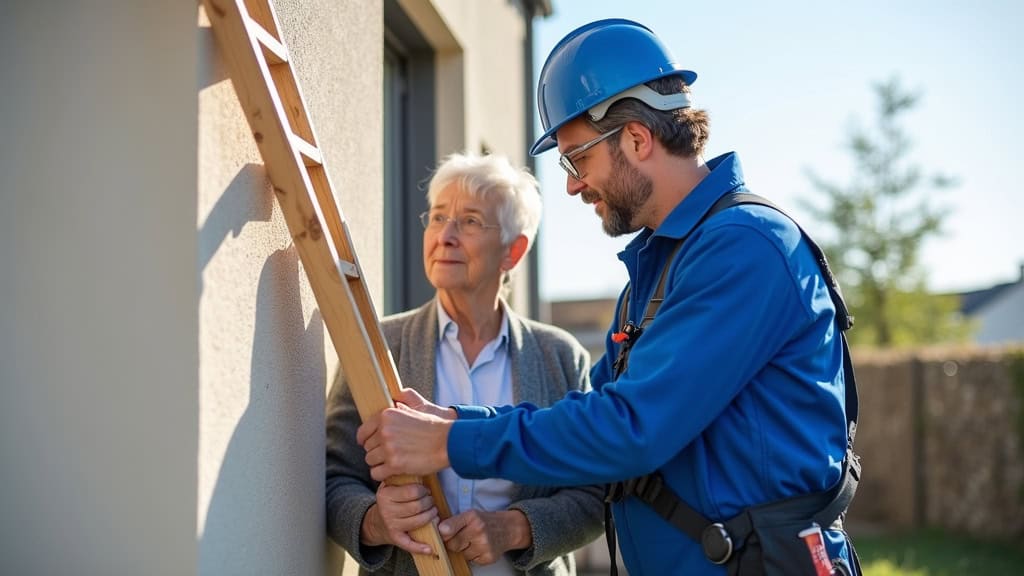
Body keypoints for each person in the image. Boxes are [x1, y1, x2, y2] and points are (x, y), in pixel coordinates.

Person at [356, 19, 863, 576]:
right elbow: (588, 419)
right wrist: (457, 417)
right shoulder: (657, 272)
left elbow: (632, 429)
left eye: (576, 159)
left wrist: (452, 441)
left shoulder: (743, 250)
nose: (572, 184)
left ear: (637, 139)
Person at [325, 152, 604, 575]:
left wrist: (514, 529)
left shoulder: (561, 356)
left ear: (513, 250)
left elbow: (596, 493)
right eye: (437, 218)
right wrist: (374, 520)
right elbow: (333, 477)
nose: (446, 236)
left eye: (470, 221)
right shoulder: (378, 345)